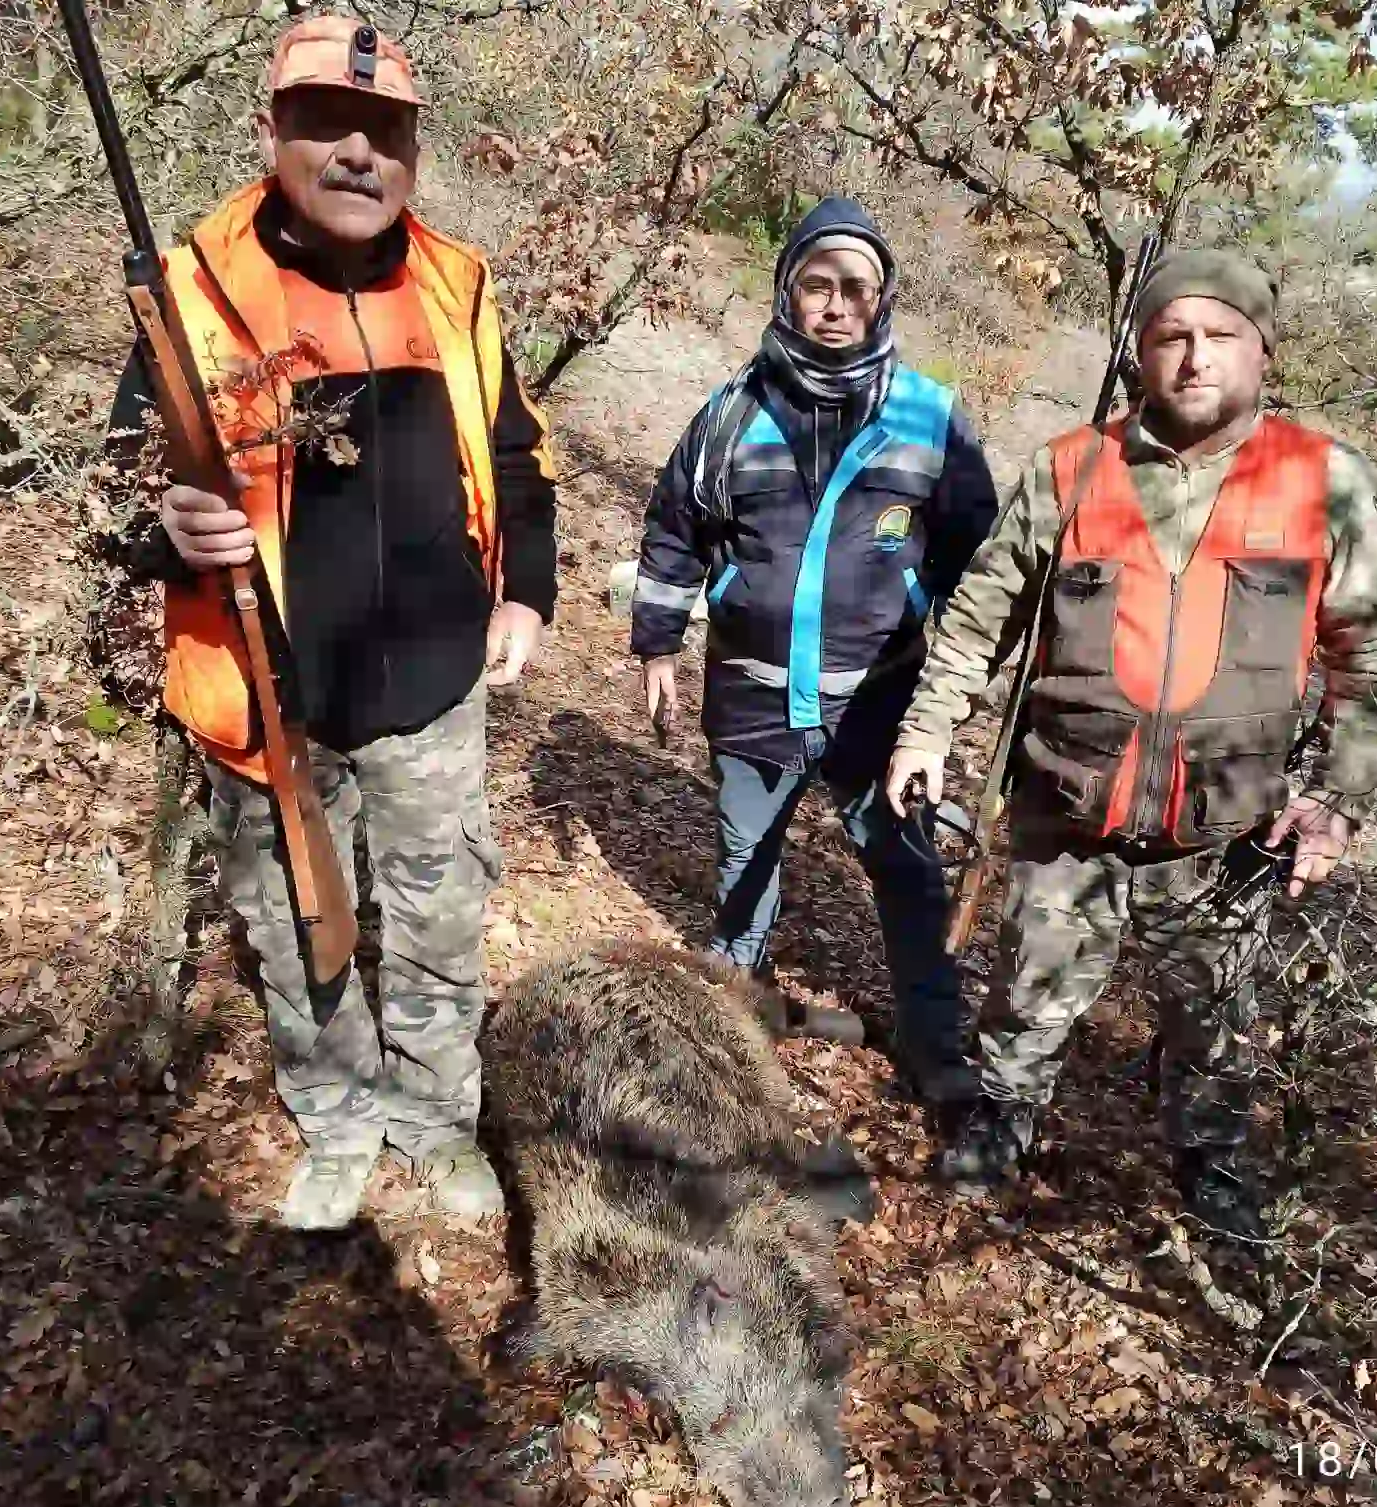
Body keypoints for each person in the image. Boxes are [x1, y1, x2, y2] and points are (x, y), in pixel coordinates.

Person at [106, 15, 557, 1230]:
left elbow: (517, 454)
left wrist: (527, 592)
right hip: (264, 691)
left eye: (385, 132)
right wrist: (165, 532)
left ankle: (435, 1122)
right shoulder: (195, 286)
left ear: (413, 151)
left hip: (434, 687)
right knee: (293, 924)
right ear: (272, 133)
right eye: (326, 126)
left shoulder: (456, 282)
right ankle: (341, 1124)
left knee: (439, 921)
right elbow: (117, 484)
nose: (358, 152)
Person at [886, 249, 1377, 1272]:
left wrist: (1335, 800)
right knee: (1028, 992)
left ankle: (1208, 1156)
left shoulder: (1328, 481)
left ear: (1262, 351)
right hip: (1066, 809)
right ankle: (1002, 1117)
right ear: (1138, 349)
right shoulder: (1068, 467)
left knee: (1211, 1016)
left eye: (1219, 336)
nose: (1193, 357)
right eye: (1171, 336)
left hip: (1224, 829)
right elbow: (976, 619)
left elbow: (1371, 652)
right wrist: (924, 728)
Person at [631, 197, 999, 1105]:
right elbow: (674, 530)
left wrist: (956, 693)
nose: (834, 307)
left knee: (907, 874)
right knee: (743, 862)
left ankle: (931, 1042)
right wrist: (657, 645)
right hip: (752, 692)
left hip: (880, 702)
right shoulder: (731, 412)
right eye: (815, 286)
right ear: (786, 291)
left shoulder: (931, 419)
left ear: (884, 303)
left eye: (856, 291)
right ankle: (734, 1013)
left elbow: (978, 564)